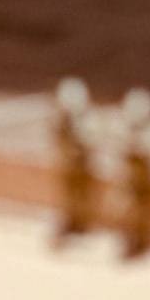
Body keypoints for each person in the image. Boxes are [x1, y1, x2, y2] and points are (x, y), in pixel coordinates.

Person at [53, 77, 100, 242]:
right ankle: (72, 221)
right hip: (69, 165)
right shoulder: (62, 120)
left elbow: (90, 143)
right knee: (70, 194)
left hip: (81, 166)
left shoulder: (85, 120)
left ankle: (81, 224)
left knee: (81, 196)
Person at [121, 88, 150, 260]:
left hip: (143, 183)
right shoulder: (130, 132)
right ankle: (132, 240)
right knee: (129, 210)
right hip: (132, 182)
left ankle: (141, 241)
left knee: (140, 211)